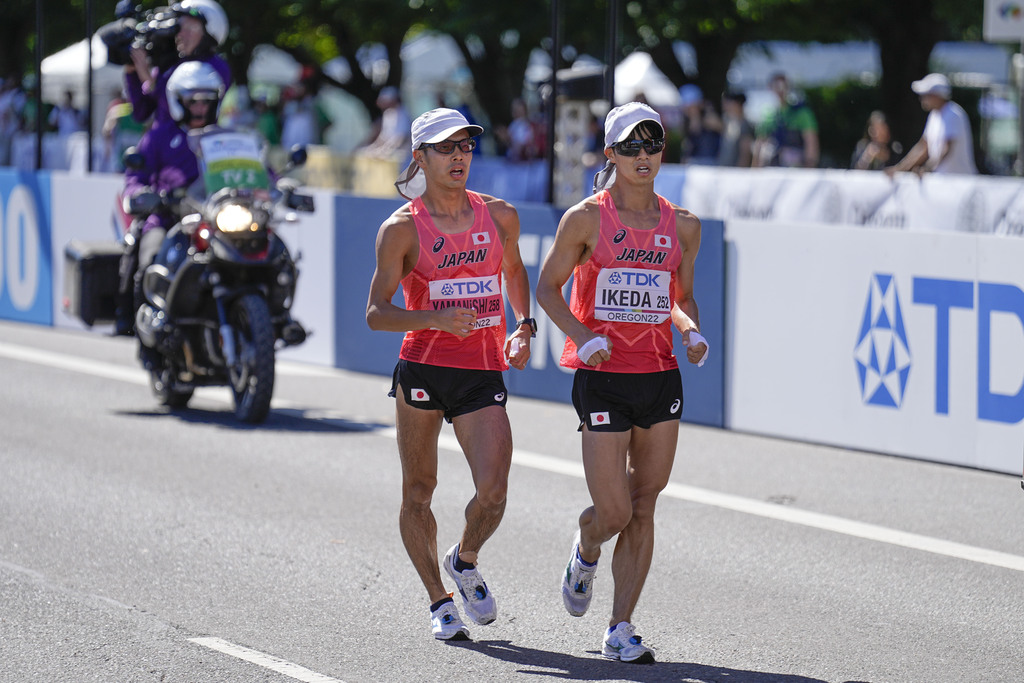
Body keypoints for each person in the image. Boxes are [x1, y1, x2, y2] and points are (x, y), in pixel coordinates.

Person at [535, 101, 708, 665]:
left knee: (645, 503)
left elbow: (677, 299)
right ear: (609, 153)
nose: (642, 155)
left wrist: (691, 331)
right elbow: (547, 289)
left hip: (660, 377)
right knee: (612, 514)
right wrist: (582, 337)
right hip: (604, 378)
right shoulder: (586, 218)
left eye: (651, 143)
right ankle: (585, 552)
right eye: (629, 146)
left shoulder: (683, 225)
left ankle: (620, 628)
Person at [365, 108, 535, 641]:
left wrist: (524, 325)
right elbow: (376, 313)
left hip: (481, 369)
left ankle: (464, 559)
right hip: (423, 369)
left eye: (465, 145)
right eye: (445, 148)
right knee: (419, 490)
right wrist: (434, 316)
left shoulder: (500, 215)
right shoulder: (401, 228)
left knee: (494, 492)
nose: (459, 156)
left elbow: (513, 270)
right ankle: (439, 599)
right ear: (420, 157)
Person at [115, 61, 225, 339]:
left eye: (206, 101)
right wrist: (139, 195)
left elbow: (257, 170)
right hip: (168, 218)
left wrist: (277, 183)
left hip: (217, 220)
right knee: (152, 259)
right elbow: (135, 177)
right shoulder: (159, 136)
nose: (200, 108)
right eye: (193, 101)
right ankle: (147, 336)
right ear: (177, 101)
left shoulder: (226, 137)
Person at [124, 0, 231, 128]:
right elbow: (141, 113)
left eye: (190, 28)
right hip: (158, 146)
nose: (180, 34)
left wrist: (149, 80)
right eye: (180, 27)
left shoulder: (215, 67)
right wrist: (132, 73)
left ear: (208, 33)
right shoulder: (172, 65)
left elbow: (188, 112)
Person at [885, 73, 977, 176]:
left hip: (959, 182)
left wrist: (928, 169)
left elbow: (946, 149)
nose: (921, 99)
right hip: (943, 181)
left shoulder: (953, 114)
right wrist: (900, 169)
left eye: (925, 95)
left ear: (936, 95)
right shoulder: (934, 115)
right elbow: (923, 147)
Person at [752, 72, 819, 168]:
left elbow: (811, 141)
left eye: (783, 86)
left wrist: (809, 167)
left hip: (795, 167)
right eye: (776, 86)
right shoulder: (768, 113)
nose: (780, 90)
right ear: (770, 88)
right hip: (772, 166)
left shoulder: (802, 112)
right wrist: (755, 169)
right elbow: (760, 142)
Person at [717, 90, 754, 167]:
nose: (725, 106)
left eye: (728, 103)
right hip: (724, 171)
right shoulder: (729, 122)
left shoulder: (745, 125)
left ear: (737, 104)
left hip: (735, 175)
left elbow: (745, 155)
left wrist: (739, 174)